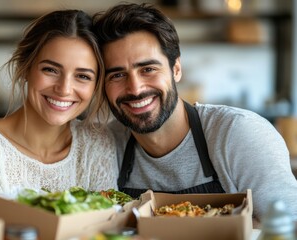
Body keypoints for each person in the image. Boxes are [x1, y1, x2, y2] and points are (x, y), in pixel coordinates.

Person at [93, 3, 297, 221]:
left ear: (176, 69)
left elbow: (289, 227)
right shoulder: (106, 146)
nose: (135, 88)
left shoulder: (240, 134)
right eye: (117, 75)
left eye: (148, 69)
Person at [0, 9, 119, 211]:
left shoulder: (97, 143)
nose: (64, 89)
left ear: (96, 84)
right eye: (50, 70)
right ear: (26, 67)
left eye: (83, 76)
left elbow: (106, 226)